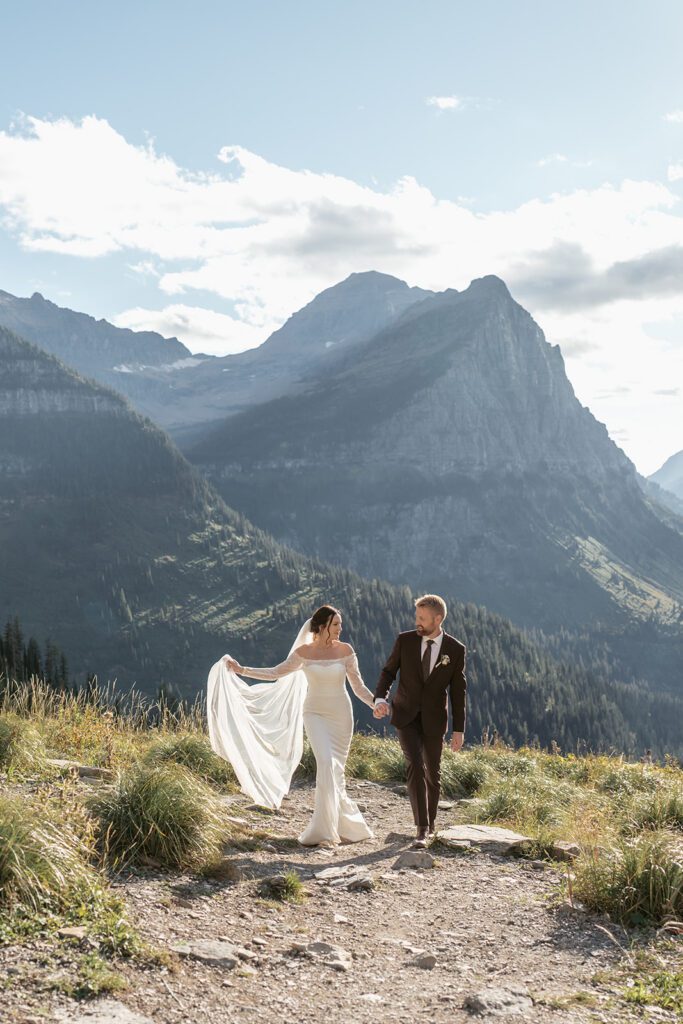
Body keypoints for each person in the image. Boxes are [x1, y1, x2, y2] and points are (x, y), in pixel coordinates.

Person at [207, 605, 376, 847]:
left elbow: (358, 686)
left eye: (340, 624)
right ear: (322, 627)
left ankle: (346, 825)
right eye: (336, 624)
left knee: (336, 770)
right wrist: (242, 670)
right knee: (326, 763)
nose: (341, 628)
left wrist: (374, 703)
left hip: (341, 715)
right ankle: (324, 832)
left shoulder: (346, 650)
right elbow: (277, 672)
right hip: (314, 713)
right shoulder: (304, 652)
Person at [373, 594, 466, 848]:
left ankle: (432, 824)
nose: (418, 622)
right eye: (417, 617)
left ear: (437, 619)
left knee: (433, 774)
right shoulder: (405, 641)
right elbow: (388, 671)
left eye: (422, 618)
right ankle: (422, 828)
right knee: (415, 764)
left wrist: (459, 729)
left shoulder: (455, 650)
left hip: (435, 720)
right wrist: (380, 698)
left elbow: (458, 691)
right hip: (405, 714)